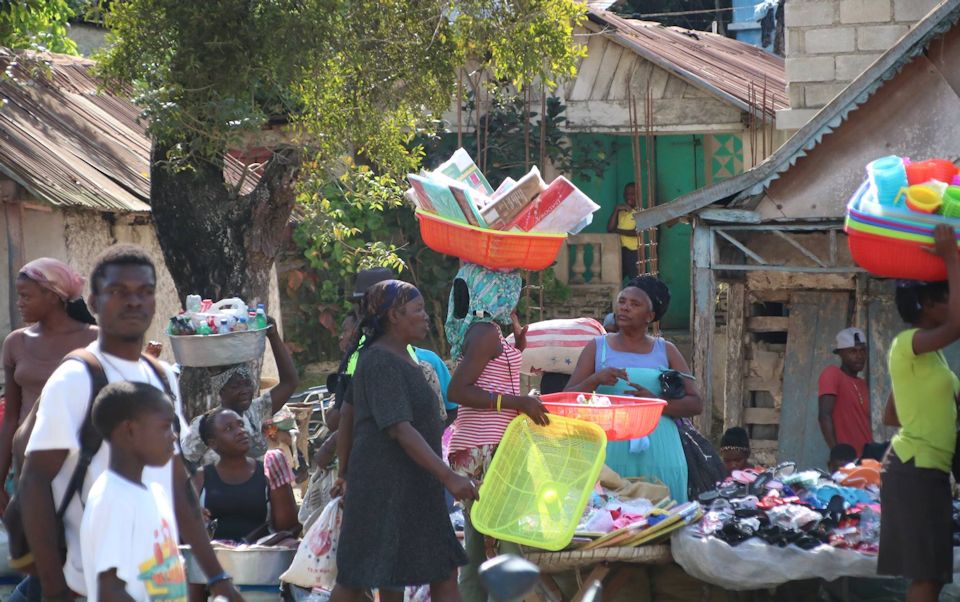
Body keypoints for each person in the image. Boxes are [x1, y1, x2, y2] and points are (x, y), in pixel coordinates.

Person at [16, 244, 241, 602]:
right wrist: (54, 589)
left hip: (159, 579)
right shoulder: (76, 377)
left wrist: (216, 576)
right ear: (94, 302)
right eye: (118, 292)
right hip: (90, 584)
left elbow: (177, 481)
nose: (134, 302)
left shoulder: (164, 377)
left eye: (144, 292)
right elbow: (34, 483)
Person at [331, 280, 475, 602]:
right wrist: (448, 476)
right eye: (419, 309)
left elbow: (350, 415)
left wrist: (343, 471)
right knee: (360, 576)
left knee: (440, 568)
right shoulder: (379, 360)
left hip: (413, 488)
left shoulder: (399, 357)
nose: (426, 316)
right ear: (395, 315)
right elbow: (398, 428)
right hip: (384, 489)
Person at [444, 263, 549, 602]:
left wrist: (516, 346)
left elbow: (491, 374)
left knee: (480, 542)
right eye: (507, 286)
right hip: (484, 448)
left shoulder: (490, 332)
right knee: (505, 543)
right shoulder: (485, 332)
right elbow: (457, 390)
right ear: (493, 290)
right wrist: (517, 401)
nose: (513, 293)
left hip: (485, 446)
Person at [566, 276, 702, 503]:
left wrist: (656, 402)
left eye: (634, 304)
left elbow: (696, 403)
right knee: (609, 519)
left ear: (650, 316)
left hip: (661, 450)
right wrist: (595, 379)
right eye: (622, 301)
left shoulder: (666, 350)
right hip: (609, 451)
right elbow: (568, 397)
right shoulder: (597, 347)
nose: (625, 307)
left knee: (661, 519)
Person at [879, 224, 960, 602]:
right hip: (915, 469)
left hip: (926, 469)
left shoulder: (929, 357)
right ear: (927, 306)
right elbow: (958, 323)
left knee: (936, 575)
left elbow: (891, 414)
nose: (950, 305)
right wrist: (949, 257)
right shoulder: (906, 344)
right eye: (945, 297)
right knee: (927, 578)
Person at [0, 258, 98, 512]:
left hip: (82, 463)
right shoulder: (15, 343)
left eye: (26, 296)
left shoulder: (94, 339)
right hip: (28, 464)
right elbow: (11, 418)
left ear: (53, 296)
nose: (19, 303)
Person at [80, 381, 187, 602]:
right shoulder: (112, 498)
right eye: (165, 426)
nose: (174, 436)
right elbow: (110, 592)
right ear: (129, 430)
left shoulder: (156, 494)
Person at [181, 314, 298, 466]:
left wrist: (274, 337)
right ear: (221, 391)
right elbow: (183, 464)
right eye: (235, 386)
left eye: (247, 384)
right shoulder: (204, 425)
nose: (245, 390)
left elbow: (290, 382)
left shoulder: (254, 411)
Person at [193, 408, 299, 541]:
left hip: (261, 556)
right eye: (228, 429)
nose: (240, 432)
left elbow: (288, 528)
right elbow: (185, 528)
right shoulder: (200, 478)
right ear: (212, 443)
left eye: (241, 425)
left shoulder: (268, 471)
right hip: (216, 557)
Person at [817, 327, 873, 455]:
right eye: (853, 351)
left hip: (866, 456)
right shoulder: (832, 373)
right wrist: (836, 453)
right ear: (840, 353)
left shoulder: (863, 384)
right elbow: (824, 415)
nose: (859, 356)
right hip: (847, 458)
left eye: (863, 351)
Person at [606, 182, 639, 280]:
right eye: (626, 194)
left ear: (638, 195)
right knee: (616, 279)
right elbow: (610, 229)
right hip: (620, 250)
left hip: (634, 252)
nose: (629, 197)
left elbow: (636, 232)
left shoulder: (640, 211)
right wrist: (616, 210)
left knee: (636, 280)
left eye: (632, 194)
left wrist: (618, 231)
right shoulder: (621, 212)